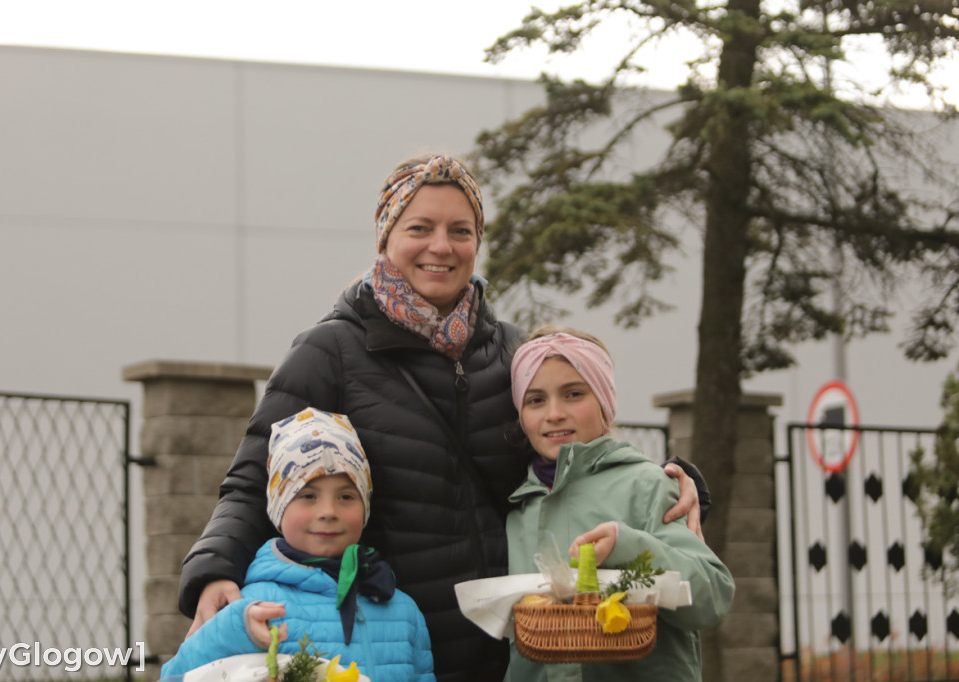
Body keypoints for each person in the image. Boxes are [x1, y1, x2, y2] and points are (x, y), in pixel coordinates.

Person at [177, 153, 709, 682]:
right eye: (420, 227)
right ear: (385, 238)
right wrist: (213, 570)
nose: (441, 246)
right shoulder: (329, 352)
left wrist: (669, 480)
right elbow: (255, 480)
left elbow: (571, 456)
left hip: (515, 646)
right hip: (397, 638)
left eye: (460, 230)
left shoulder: (512, 353)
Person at [504, 326, 735, 682]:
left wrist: (629, 546)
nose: (554, 413)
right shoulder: (518, 506)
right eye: (535, 400)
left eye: (573, 394)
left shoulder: (646, 485)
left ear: (605, 402)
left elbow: (712, 597)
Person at [162, 408, 435, 681]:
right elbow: (175, 676)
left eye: (346, 496)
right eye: (308, 495)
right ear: (279, 508)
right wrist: (235, 630)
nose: (328, 511)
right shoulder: (253, 607)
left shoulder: (403, 610)